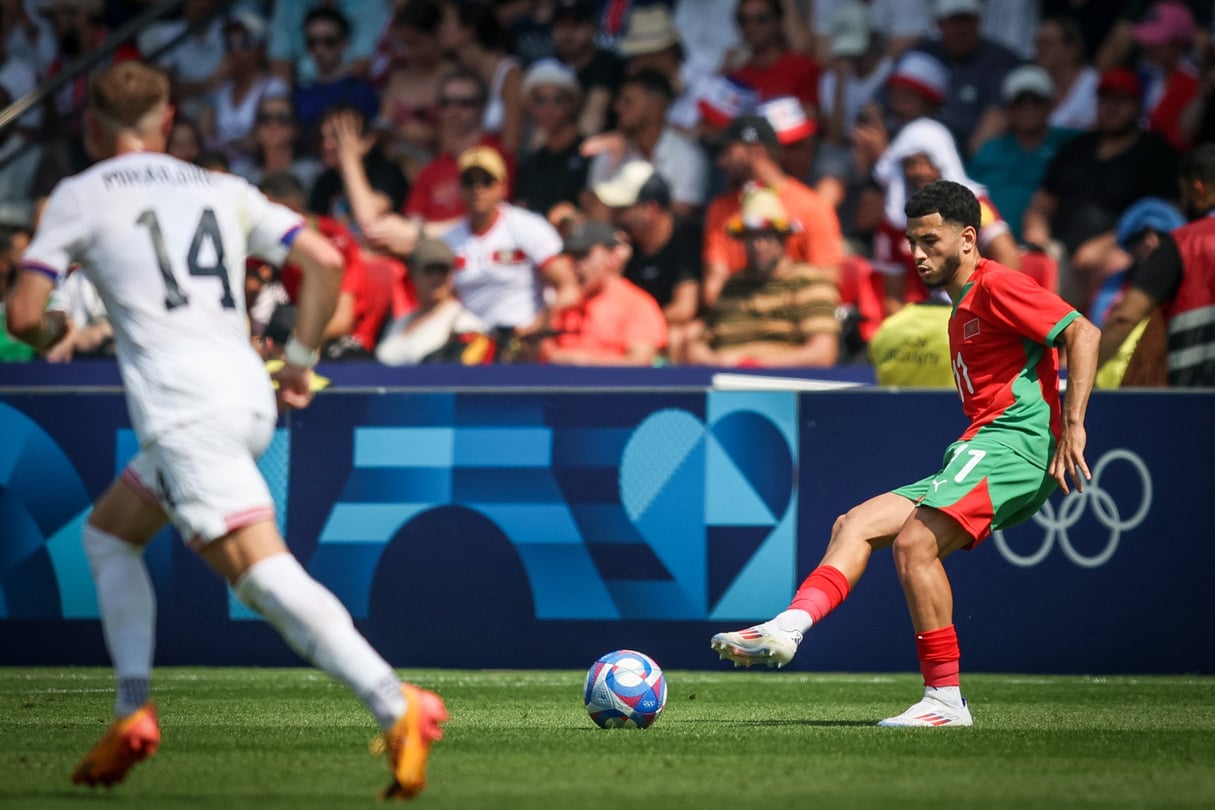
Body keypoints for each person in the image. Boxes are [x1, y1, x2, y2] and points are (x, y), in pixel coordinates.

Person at [3, 61, 446, 796]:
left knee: (261, 577)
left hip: (184, 409)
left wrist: (60, 318)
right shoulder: (220, 187)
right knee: (110, 534)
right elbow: (326, 260)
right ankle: (130, 712)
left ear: (89, 125)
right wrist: (300, 361)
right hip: (243, 390)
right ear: (169, 121)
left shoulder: (78, 196)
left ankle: (395, 701)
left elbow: (23, 318)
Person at [710, 180, 1101, 727]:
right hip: (981, 446)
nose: (918, 254)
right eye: (912, 242)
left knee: (915, 543)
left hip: (1014, 444)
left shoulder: (996, 285)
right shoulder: (962, 304)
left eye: (931, 241)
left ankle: (944, 699)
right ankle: (787, 628)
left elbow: (1082, 332)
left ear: (968, 239)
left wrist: (1074, 426)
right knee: (856, 523)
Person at [1097, 144, 1215, 387]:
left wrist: (1085, 371)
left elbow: (1125, 318)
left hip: (1195, 403)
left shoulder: (1183, 243)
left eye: (1184, 196)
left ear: (1197, 189)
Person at [687, 187, 841, 368]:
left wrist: (756, 366)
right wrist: (719, 362)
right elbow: (697, 348)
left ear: (783, 236)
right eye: (751, 237)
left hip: (784, 387)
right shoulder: (733, 284)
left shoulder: (808, 281)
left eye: (766, 235)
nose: (758, 244)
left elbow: (823, 353)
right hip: (726, 384)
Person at [594, 160, 702, 363]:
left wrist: (638, 326)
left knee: (676, 336)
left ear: (651, 208)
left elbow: (684, 308)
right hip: (629, 328)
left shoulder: (686, 237)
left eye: (623, 208)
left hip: (653, 330)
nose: (615, 215)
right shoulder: (620, 243)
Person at [540, 220, 669, 366]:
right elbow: (534, 359)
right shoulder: (562, 302)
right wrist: (551, 313)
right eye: (572, 257)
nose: (576, 265)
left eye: (583, 255)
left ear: (611, 256)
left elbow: (640, 365)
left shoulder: (637, 304)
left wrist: (582, 363)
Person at [376, 237, 488, 365]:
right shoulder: (399, 322)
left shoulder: (465, 325)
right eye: (429, 270)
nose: (437, 278)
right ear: (413, 274)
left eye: (443, 270)